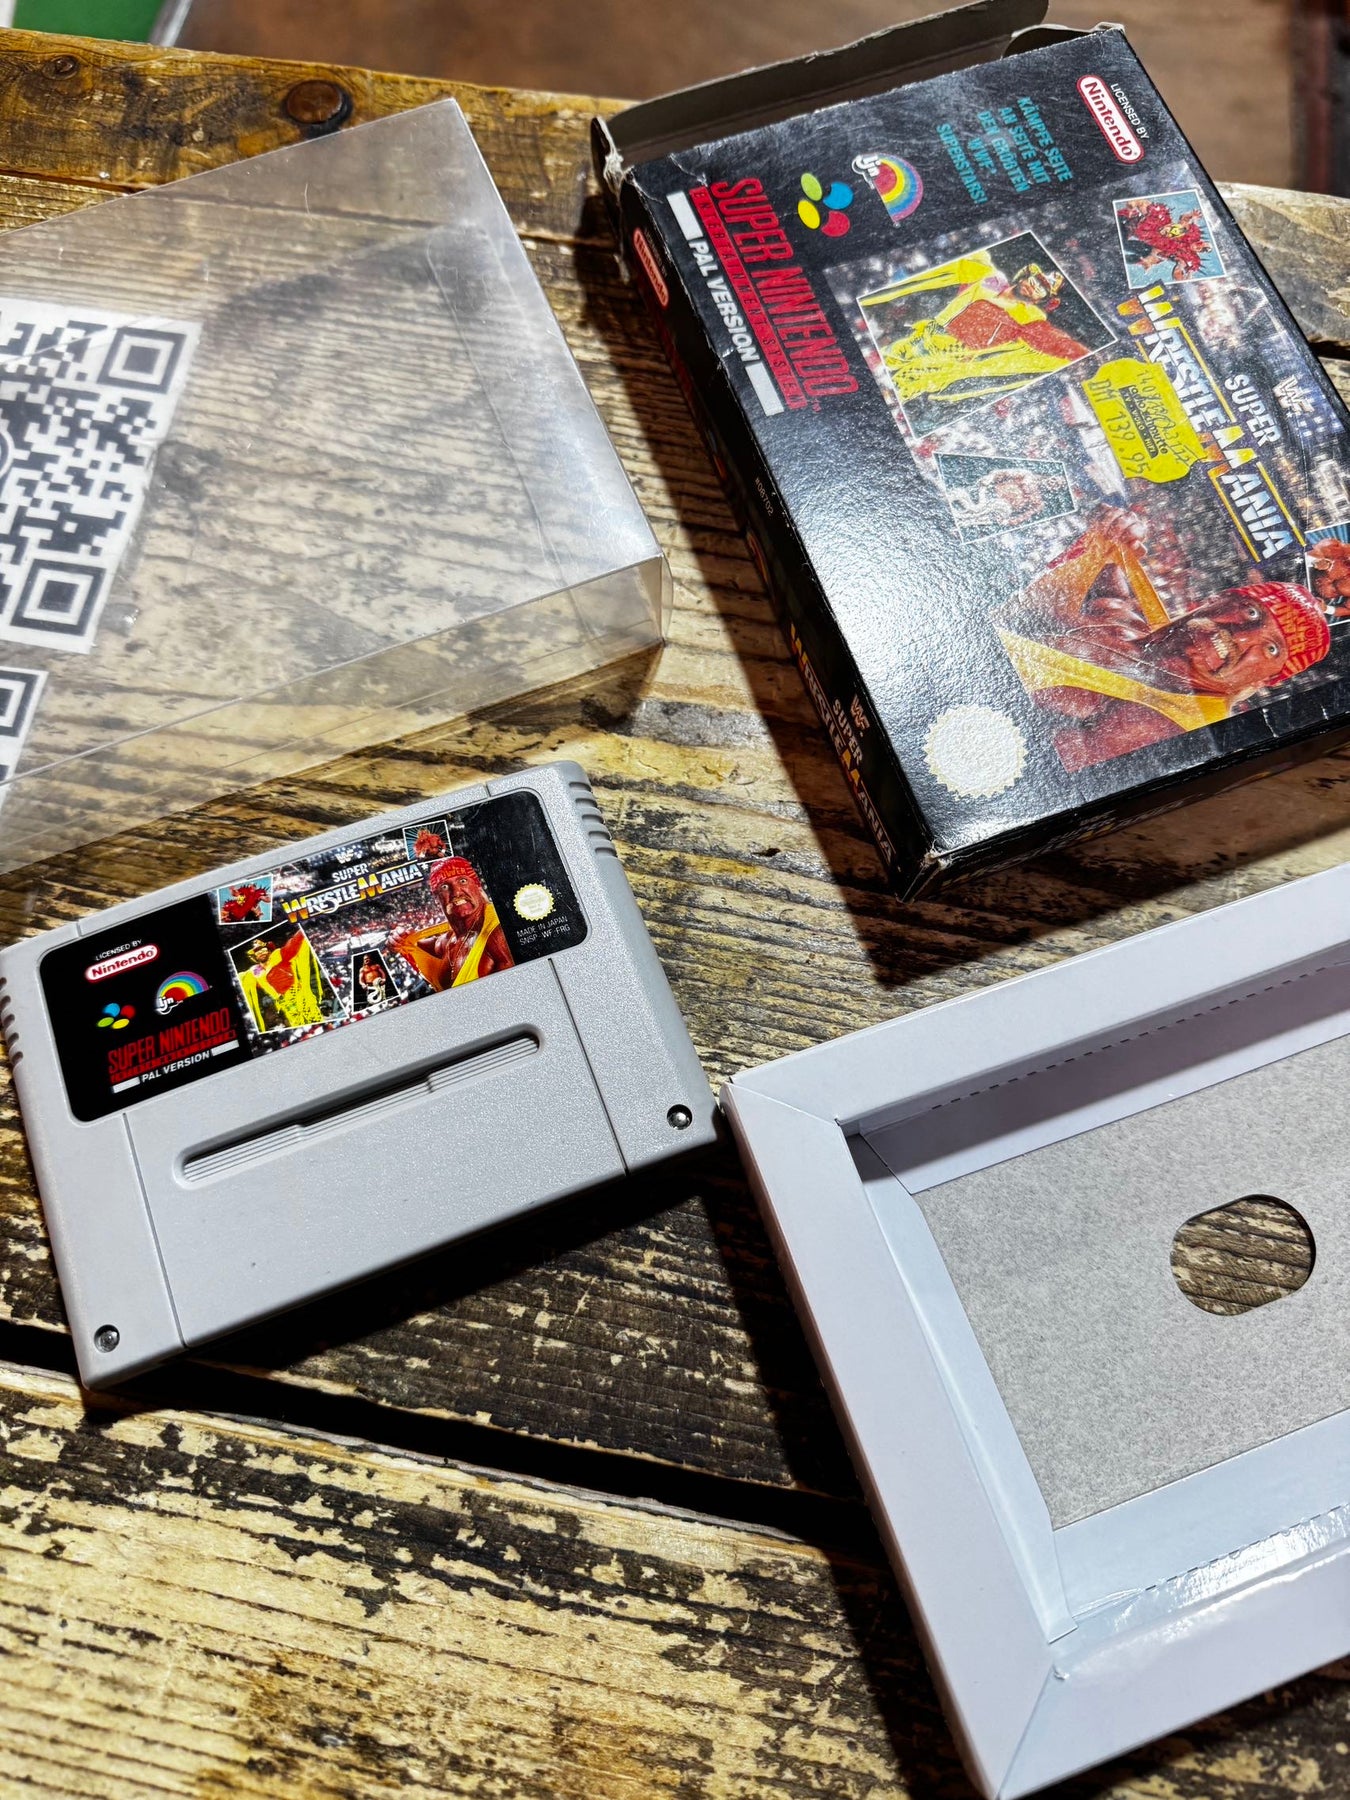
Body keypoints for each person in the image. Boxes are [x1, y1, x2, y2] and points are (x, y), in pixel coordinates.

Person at [997, 505, 1331, 770]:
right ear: (1217, 598)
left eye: (1271, 649)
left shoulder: (1154, 725)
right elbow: (1090, 571)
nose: (1242, 638)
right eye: (1252, 613)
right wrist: (1115, 528)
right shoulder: (1128, 620)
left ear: (1264, 680)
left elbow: (1027, 773)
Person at [391, 857, 513, 992]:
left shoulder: (497, 933)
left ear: (478, 887)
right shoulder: (446, 942)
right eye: (444, 887)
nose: (456, 892)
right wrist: (399, 939)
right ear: (437, 899)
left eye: (463, 881)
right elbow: (413, 945)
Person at [237, 929, 332, 1031]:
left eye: (262, 949)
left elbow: (294, 943)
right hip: (284, 1001)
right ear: (253, 956)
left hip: (298, 994)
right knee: (297, 1024)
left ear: (268, 949)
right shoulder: (255, 972)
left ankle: (326, 1028)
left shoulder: (279, 955)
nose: (260, 952)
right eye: (256, 951)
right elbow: (242, 980)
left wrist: (301, 931)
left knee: (314, 1017)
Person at [1119, 198, 1210, 282]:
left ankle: (1131, 259)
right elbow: (1139, 202)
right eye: (1200, 243)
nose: (1198, 246)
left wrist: (1185, 277)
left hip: (1148, 245)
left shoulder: (1168, 246)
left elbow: (1178, 272)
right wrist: (1192, 216)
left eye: (1201, 249)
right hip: (1127, 222)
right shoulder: (1161, 215)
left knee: (1150, 254)